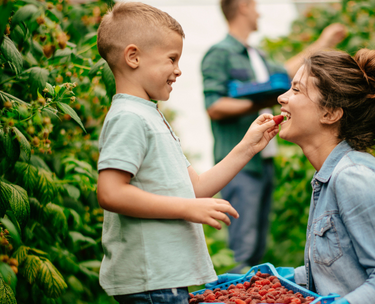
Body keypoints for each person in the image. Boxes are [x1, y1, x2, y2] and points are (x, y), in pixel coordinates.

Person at [95, 2, 280, 303]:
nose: (178, 70)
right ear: (133, 57)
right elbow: (111, 193)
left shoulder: (150, 116)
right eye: (171, 59)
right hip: (151, 281)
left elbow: (194, 189)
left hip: (165, 279)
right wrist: (187, 209)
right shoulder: (128, 117)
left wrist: (248, 146)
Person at [277, 49, 375, 303]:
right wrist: (275, 279)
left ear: (329, 113)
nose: (282, 98)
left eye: (296, 90)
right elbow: (340, 270)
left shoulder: (356, 178)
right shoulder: (328, 178)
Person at [201, 0, 347, 273]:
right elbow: (214, 106)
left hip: (263, 161)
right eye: (255, 6)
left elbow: (288, 72)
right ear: (243, 6)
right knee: (242, 249)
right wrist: (261, 102)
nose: (259, 12)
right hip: (240, 165)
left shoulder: (255, 54)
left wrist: (322, 41)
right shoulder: (219, 54)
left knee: (256, 247)